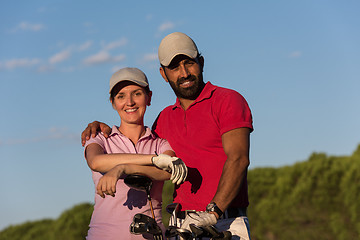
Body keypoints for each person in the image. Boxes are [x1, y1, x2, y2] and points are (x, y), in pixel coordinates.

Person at [82, 32, 253, 240]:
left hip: (223, 222)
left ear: (201, 62)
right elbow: (157, 164)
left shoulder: (227, 100)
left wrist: (213, 212)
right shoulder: (163, 119)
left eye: (189, 63)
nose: (184, 73)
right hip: (179, 227)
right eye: (174, 67)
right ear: (164, 74)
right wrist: (99, 126)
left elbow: (238, 158)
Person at [83, 67, 187, 240]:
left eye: (137, 93)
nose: (129, 102)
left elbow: (167, 171)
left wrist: (124, 168)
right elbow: (95, 161)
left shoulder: (160, 143)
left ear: (149, 97)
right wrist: (153, 159)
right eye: (121, 96)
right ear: (113, 102)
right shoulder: (100, 138)